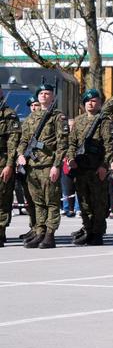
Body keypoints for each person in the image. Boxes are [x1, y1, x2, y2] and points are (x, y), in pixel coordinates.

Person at [17, 84, 69, 249]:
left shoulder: (57, 117)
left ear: (52, 97)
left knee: (52, 202)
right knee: (38, 202)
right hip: (33, 166)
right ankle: (39, 232)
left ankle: (49, 235)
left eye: (47, 93)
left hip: (48, 165)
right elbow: (23, 140)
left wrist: (56, 165)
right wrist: (20, 155)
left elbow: (62, 144)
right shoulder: (31, 118)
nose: (44, 96)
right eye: (41, 93)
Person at [66, 89, 113, 246]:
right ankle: (87, 229)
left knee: (98, 203)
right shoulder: (79, 121)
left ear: (99, 103)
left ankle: (98, 233)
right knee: (84, 202)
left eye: (94, 100)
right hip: (81, 167)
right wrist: (71, 158)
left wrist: (104, 165)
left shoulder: (104, 121)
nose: (90, 103)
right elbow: (72, 143)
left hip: (96, 168)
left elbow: (109, 145)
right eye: (87, 101)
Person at [16, 96, 40, 240]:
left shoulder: (46, 120)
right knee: (29, 199)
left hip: (40, 164)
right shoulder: (26, 123)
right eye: (31, 105)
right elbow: (21, 141)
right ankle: (33, 227)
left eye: (36, 105)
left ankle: (40, 229)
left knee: (38, 199)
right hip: (26, 164)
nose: (33, 108)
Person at [0, 88, 21, 248]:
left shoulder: (8, 114)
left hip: (2, 162)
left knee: (2, 199)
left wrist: (9, 164)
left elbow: (12, 143)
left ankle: (0, 231)